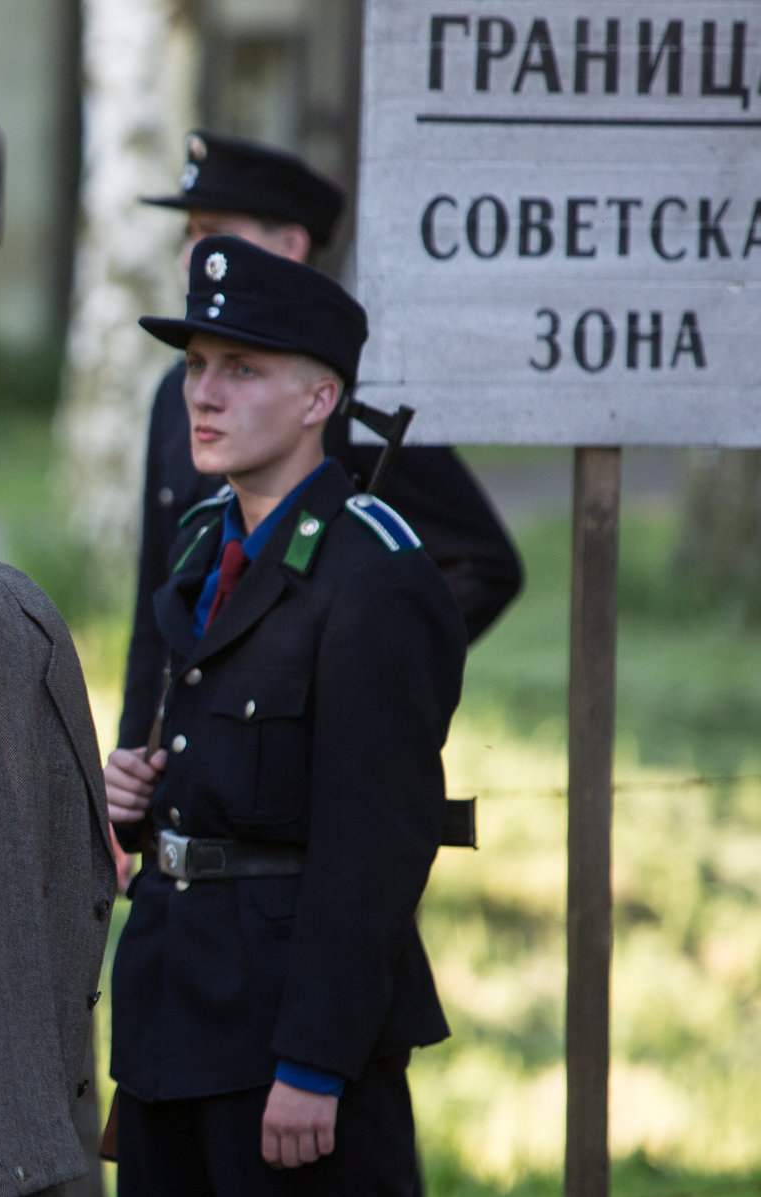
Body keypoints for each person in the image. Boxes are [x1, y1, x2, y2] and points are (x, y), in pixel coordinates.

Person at [103, 235, 463, 1197]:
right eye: (197, 365)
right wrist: (137, 790)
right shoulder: (207, 543)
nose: (202, 395)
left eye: (240, 369)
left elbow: (376, 845)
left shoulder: (376, 576)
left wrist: (315, 1064)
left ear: (321, 397)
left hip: (288, 1046)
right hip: (174, 1018)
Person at [119, 130, 520, 756]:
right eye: (189, 235)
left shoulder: (347, 399)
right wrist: (134, 758)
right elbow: (158, 608)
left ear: (292, 244)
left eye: (214, 231)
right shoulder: (181, 392)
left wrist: (348, 662)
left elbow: (483, 564)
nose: (191, 256)